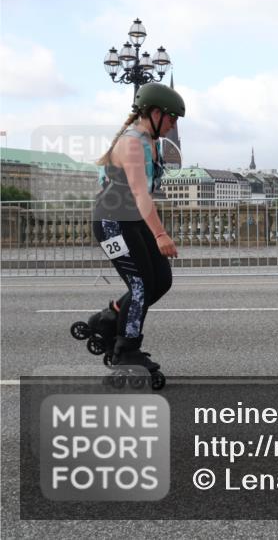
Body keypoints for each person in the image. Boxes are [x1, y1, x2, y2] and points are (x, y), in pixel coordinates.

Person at [86, 82, 184, 383]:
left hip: (131, 220)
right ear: (154, 113)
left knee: (161, 281)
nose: (172, 125)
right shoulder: (131, 143)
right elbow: (141, 193)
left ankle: (109, 318)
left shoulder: (151, 143)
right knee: (141, 285)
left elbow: (145, 196)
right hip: (111, 223)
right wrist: (161, 235)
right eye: (171, 118)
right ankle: (126, 350)